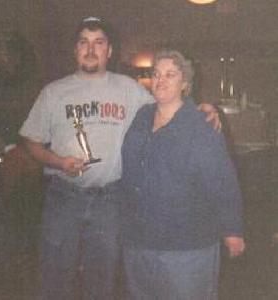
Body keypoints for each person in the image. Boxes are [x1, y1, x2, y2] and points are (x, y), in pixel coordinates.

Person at [19, 17, 221, 300]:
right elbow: (30, 141)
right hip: (63, 198)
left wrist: (203, 107)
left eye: (99, 43)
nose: (91, 49)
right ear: (75, 50)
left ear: (109, 51)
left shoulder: (129, 89)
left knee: (102, 279)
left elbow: (169, 102)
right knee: (55, 275)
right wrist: (58, 162)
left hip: (111, 200)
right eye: (83, 43)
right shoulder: (53, 92)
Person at [120, 49, 245, 300]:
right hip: (139, 241)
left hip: (186, 247)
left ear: (184, 83)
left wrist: (232, 230)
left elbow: (223, 181)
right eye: (156, 74)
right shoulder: (141, 116)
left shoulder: (201, 124)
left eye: (170, 75)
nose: (160, 80)